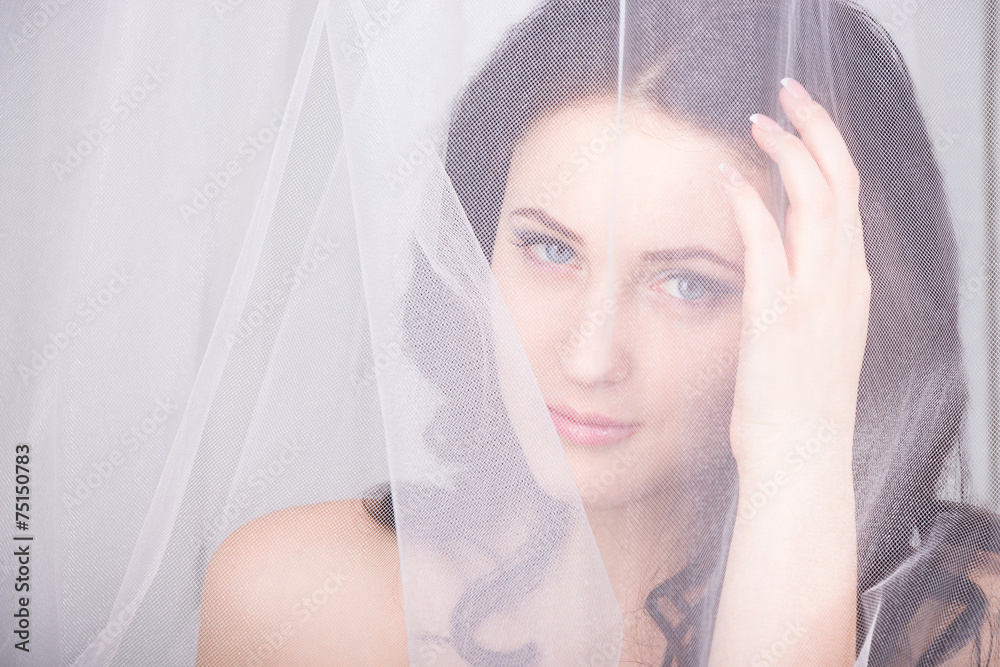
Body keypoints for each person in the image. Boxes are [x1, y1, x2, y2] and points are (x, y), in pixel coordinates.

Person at [195, 1, 999, 665]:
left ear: (837, 311)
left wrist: (799, 453)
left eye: (689, 283)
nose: (588, 357)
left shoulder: (967, 633)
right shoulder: (292, 600)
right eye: (550, 249)